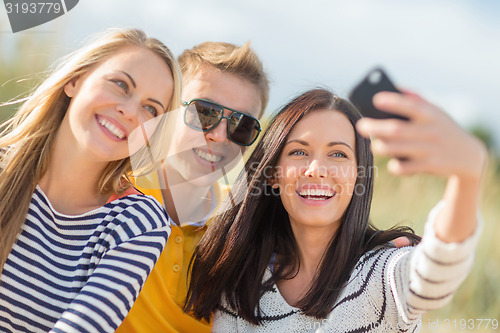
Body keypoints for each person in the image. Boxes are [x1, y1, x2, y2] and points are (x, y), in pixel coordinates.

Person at [186, 89, 486, 332]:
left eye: (338, 154)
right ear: (273, 174)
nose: (316, 170)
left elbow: (435, 274)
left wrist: (467, 177)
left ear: (359, 175)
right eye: (299, 152)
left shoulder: (379, 274)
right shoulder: (242, 281)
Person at [0, 28, 182, 332]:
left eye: (151, 109)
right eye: (121, 85)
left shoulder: (139, 223)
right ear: (75, 81)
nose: (130, 112)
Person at [116, 41, 270, 333]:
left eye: (241, 125)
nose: (219, 135)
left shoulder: (243, 227)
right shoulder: (112, 190)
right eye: (205, 112)